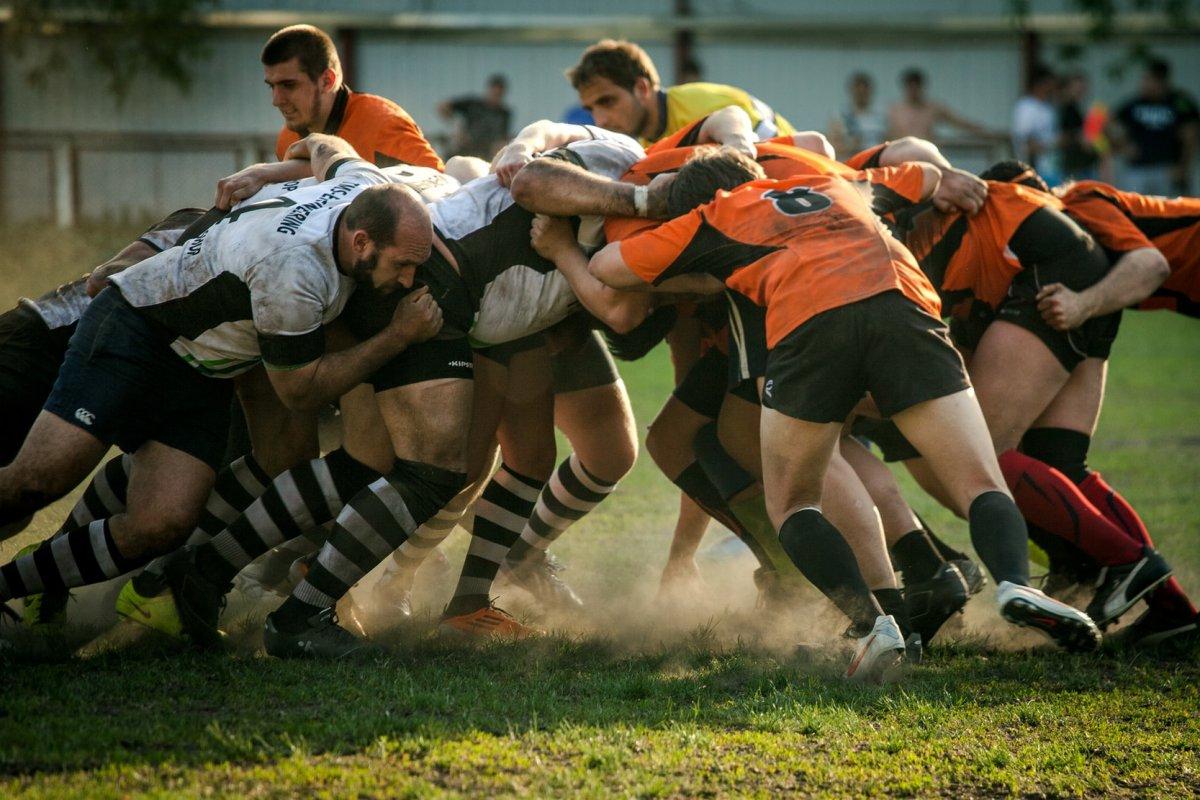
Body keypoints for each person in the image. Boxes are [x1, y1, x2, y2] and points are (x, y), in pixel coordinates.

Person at [588, 148, 1104, 674]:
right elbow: (922, 177)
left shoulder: (712, 215)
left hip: (810, 327)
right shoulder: (831, 181)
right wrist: (941, 180)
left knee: (793, 503)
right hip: (902, 307)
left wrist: (702, 270)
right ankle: (1015, 583)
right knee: (981, 481)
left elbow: (609, 269)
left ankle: (870, 624)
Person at [0, 135, 446, 615]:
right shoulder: (293, 271)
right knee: (38, 479)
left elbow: (325, 145)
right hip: (139, 330)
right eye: (403, 265)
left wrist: (264, 172)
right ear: (361, 242)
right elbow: (299, 391)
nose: (408, 280)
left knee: (161, 525)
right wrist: (396, 337)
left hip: (202, 369)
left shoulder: (364, 182)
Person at [265, 24, 443, 170]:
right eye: (272, 86)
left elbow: (440, 189)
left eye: (289, 85)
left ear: (327, 81)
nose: (276, 100)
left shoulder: (382, 126)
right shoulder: (287, 140)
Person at [566, 39, 796, 147]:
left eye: (607, 101)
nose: (600, 120)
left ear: (642, 88)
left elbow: (775, 161)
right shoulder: (646, 147)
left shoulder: (710, 107)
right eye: (591, 109)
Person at [1111, 58, 1199, 195]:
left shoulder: (1180, 103)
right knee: (1134, 212)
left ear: (1160, 81)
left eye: (1148, 79)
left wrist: (1183, 166)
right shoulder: (1134, 104)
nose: (1143, 84)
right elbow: (1109, 123)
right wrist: (1121, 147)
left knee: (1167, 212)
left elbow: (1191, 136)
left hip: (1167, 169)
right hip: (1136, 169)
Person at [887, 67, 994, 143]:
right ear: (905, 88)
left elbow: (960, 122)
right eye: (911, 87)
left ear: (921, 87)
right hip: (902, 157)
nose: (913, 91)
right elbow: (885, 135)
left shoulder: (933, 108)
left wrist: (988, 133)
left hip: (927, 155)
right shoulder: (895, 110)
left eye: (916, 87)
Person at [439, 74, 513, 160]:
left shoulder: (504, 113)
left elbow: (504, 137)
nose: (496, 97)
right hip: (464, 150)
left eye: (499, 94)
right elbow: (443, 106)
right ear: (489, 90)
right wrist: (455, 127)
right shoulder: (473, 104)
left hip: (487, 155)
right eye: (494, 93)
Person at [1011, 64, 1061, 183]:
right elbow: (1025, 139)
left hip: (1051, 167)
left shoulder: (1048, 108)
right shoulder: (1026, 106)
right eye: (1050, 84)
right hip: (1032, 171)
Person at [1058, 72, 1105, 182]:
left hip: (1084, 164)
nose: (1080, 91)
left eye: (1082, 87)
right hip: (1074, 165)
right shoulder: (1065, 109)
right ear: (1067, 88)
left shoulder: (1080, 108)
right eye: (1077, 87)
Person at [828, 72, 886, 157]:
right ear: (851, 91)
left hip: (876, 161)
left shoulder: (881, 116)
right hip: (851, 160)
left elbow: (890, 139)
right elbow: (833, 145)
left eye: (864, 92)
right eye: (858, 92)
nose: (861, 95)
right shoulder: (840, 115)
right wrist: (852, 145)